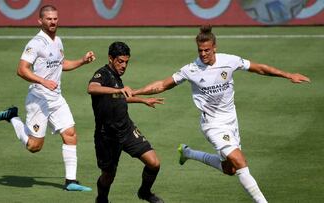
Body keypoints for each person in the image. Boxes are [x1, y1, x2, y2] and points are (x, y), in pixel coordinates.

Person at [133, 25, 310, 203]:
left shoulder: (229, 61)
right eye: (200, 50)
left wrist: (288, 75)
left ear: (214, 47)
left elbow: (259, 68)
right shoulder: (191, 69)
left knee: (230, 169)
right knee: (239, 160)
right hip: (212, 125)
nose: (203, 54)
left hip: (231, 122)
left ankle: (188, 153)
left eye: (207, 50)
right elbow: (162, 85)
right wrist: (136, 92)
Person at [0, 5, 95, 191]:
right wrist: (43, 81)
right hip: (38, 99)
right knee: (34, 147)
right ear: (40, 21)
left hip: (56, 98)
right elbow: (21, 70)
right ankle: (12, 117)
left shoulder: (58, 41)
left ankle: (70, 182)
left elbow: (61, 64)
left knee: (70, 135)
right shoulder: (35, 43)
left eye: (55, 18)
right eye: (49, 19)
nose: (53, 21)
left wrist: (82, 61)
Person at [87, 41, 165, 203]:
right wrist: (118, 90)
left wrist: (143, 100)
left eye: (126, 62)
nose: (124, 66)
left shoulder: (117, 77)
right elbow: (92, 88)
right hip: (106, 136)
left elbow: (117, 97)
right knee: (108, 175)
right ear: (110, 58)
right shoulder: (102, 73)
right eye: (120, 61)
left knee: (154, 163)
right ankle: (102, 199)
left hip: (126, 129)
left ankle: (144, 192)